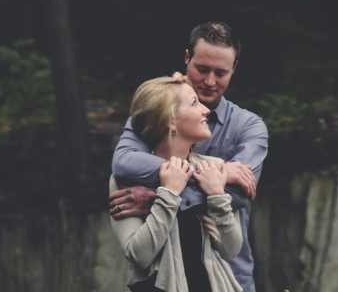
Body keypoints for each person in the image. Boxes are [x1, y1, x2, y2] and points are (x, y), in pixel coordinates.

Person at [111, 22, 268, 292]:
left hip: (230, 276)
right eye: (202, 69)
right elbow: (124, 162)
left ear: (234, 69)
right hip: (165, 279)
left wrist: (156, 197)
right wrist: (210, 178)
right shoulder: (152, 114)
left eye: (220, 73)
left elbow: (241, 195)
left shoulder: (248, 126)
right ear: (187, 58)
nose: (209, 81)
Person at [109, 72, 243, 292]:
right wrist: (169, 193)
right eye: (194, 103)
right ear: (170, 119)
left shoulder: (215, 169)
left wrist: (218, 196)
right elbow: (139, 256)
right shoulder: (126, 180)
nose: (206, 110)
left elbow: (231, 250)